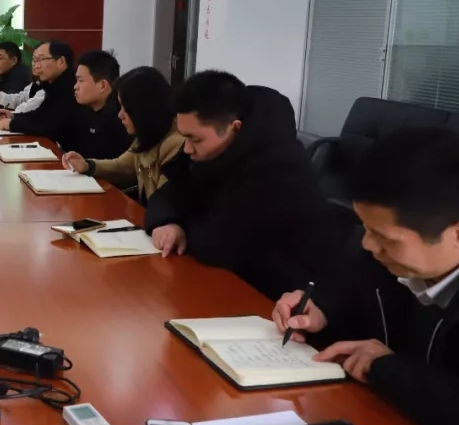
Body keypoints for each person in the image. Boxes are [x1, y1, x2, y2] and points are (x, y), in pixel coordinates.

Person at [273, 127, 459, 425]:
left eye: (384, 237)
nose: (368, 244)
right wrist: (322, 312)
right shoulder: (387, 255)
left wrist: (389, 369)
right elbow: (352, 299)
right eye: (365, 227)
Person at [143, 70, 345, 301]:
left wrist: (183, 223)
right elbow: (167, 194)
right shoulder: (211, 152)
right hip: (228, 281)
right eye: (184, 137)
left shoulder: (278, 169)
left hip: (275, 298)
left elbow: (217, 246)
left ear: (234, 128)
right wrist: (167, 222)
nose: (187, 149)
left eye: (195, 139)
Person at [62, 66, 184, 203]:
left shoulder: (175, 144)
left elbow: (163, 205)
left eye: (126, 108)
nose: (120, 115)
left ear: (143, 109)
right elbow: (123, 166)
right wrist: (87, 165)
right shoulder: (147, 135)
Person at [0, 41, 79, 147]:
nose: (36, 66)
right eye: (34, 60)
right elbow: (41, 114)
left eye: (41, 59)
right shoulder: (52, 85)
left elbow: (50, 125)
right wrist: (14, 116)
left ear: (61, 62)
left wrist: (12, 124)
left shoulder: (71, 87)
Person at [65, 50, 132, 160]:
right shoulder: (82, 110)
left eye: (80, 81)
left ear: (102, 86)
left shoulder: (122, 120)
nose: (75, 87)